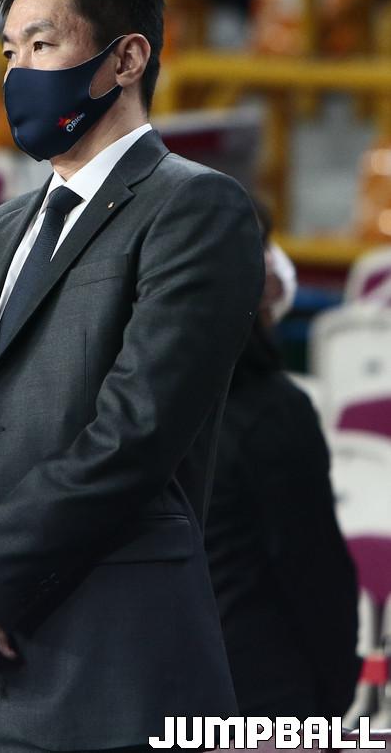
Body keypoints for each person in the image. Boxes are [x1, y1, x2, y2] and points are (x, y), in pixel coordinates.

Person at [0, 0, 265, 753]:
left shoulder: (196, 207)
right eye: (9, 52)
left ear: (126, 58)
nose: (18, 71)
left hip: (106, 673)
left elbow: (134, 436)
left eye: (42, 45)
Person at [206, 226, 360, 718]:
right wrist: (335, 698)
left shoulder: (117, 403)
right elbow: (315, 577)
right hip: (258, 696)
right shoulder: (269, 412)